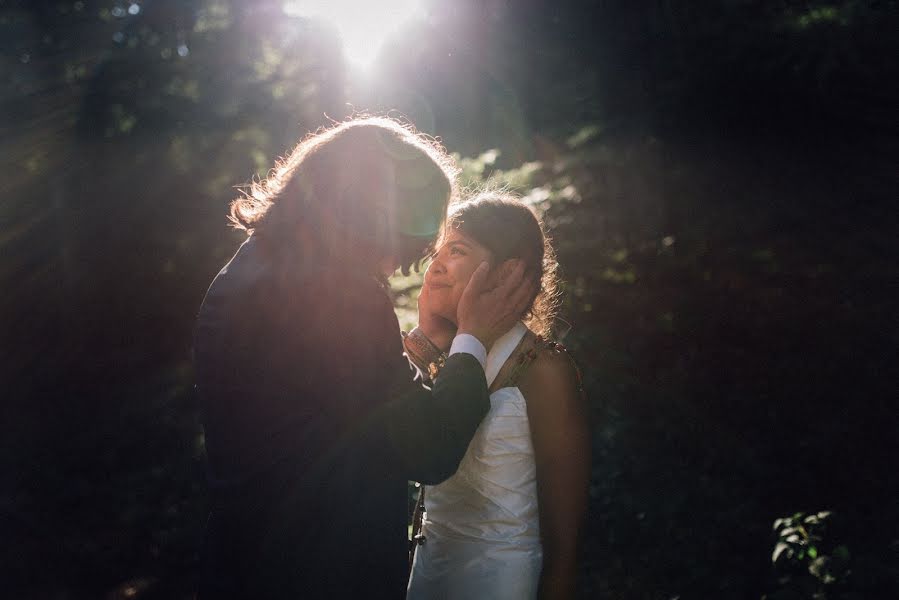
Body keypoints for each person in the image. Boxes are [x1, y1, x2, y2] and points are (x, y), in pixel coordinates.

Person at [193, 117, 534, 599]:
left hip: (241, 562)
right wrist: (473, 337)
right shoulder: (336, 289)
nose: (402, 263)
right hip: (320, 569)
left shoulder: (246, 268)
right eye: (408, 241)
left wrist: (424, 342)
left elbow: (351, 399)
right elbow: (429, 446)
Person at [406, 192, 591, 600]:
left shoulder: (544, 370)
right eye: (436, 250)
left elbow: (566, 532)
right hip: (427, 574)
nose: (434, 264)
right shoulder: (440, 357)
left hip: (503, 581)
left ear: (507, 273)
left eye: (456, 250)